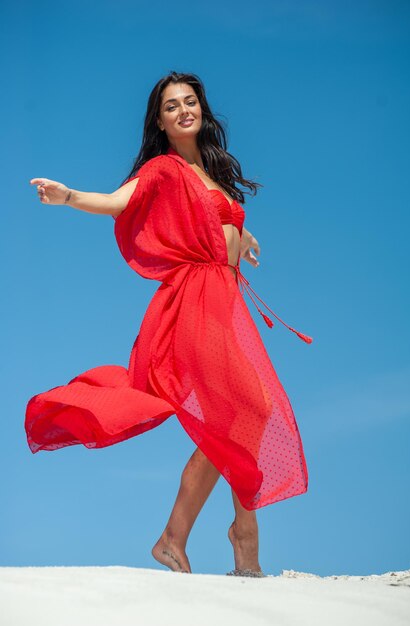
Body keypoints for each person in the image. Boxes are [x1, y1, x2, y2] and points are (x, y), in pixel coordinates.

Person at [27, 71, 312, 578]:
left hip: (223, 300)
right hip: (194, 303)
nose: (184, 110)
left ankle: (175, 539)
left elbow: (219, 221)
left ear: (202, 108)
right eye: (172, 106)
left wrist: (242, 240)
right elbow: (120, 202)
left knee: (232, 418)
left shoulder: (209, 170)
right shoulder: (161, 169)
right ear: (159, 122)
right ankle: (241, 536)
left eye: (190, 101)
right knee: (252, 407)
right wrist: (68, 195)